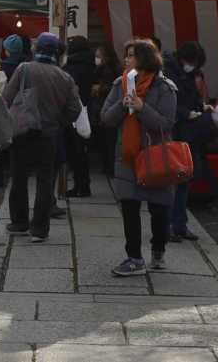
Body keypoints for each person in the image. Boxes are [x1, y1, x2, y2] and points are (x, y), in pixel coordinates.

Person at [99, 39, 178, 276]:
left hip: (155, 155)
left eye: (131, 55)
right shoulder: (120, 84)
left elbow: (166, 123)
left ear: (145, 58)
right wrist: (123, 106)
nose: (126, 59)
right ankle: (134, 257)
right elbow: (105, 118)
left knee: (159, 209)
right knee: (130, 207)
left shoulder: (165, 87)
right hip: (128, 155)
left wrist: (143, 108)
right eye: (126, 55)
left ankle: (158, 249)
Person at [2, 32, 83, 242]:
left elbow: (6, 98)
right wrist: (59, 121)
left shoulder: (24, 69)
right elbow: (75, 109)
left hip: (22, 131)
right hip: (49, 133)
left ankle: (19, 223)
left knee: (19, 177)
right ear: (58, 53)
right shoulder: (65, 77)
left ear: (37, 50)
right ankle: (39, 229)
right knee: (45, 180)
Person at [163, 41, 218, 238]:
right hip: (175, 131)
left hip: (190, 134)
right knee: (172, 182)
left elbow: (192, 98)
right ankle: (168, 226)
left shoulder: (188, 72)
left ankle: (180, 224)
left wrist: (201, 107)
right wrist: (187, 113)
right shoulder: (169, 72)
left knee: (184, 181)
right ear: (183, 59)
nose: (194, 66)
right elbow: (167, 103)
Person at [62, 35, 96, 197]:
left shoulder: (71, 66)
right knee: (82, 150)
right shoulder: (91, 64)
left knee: (75, 152)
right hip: (88, 108)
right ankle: (84, 184)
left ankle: (80, 186)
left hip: (74, 111)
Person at [91, 45, 121, 176]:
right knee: (108, 141)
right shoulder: (111, 69)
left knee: (108, 141)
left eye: (99, 56)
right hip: (107, 109)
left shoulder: (107, 70)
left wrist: (100, 88)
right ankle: (109, 166)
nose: (96, 59)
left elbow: (111, 89)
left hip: (106, 108)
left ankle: (109, 167)